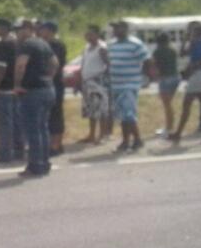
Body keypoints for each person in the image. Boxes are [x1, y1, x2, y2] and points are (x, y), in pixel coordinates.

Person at [14, 21, 59, 177]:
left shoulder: (26, 45)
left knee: (33, 130)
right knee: (42, 128)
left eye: (21, 30)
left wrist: (17, 84)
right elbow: (55, 63)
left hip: (32, 91)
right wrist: (48, 78)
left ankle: (35, 166)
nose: (18, 33)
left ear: (29, 30)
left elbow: (21, 65)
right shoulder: (43, 43)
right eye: (17, 30)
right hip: (47, 89)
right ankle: (44, 162)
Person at [108, 20, 151, 152]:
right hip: (116, 83)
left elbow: (147, 60)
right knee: (122, 115)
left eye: (117, 28)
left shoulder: (135, 44)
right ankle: (125, 141)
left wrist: (145, 77)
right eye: (114, 29)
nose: (114, 31)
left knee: (129, 113)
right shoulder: (112, 45)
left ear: (125, 29)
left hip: (129, 83)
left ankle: (138, 139)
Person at [0, 18, 24, 163]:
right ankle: (19, 151)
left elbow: (1, 67)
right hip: (15, 87)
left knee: (4, 123)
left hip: (5, 87)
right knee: (16, 121)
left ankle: (5, 154)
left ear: (4, 28)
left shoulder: (4, 44)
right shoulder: (17, 43)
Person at [169, 20, 201, 143]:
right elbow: (182, 53)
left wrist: (193, 66)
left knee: (186, 104)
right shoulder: (194, 43)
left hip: (197, 75)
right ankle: (179, 133)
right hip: (196, 75)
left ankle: (178, 133)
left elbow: (183, 54)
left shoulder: (197, 43)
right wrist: (185, 40)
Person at [37, 21, 67, 156]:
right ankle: (53, 143)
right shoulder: (43, 44)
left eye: (42, 29)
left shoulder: (56, 45)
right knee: (48, 115)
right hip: (47, 84)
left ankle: (56, 144)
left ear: (49, 31)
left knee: (56, 114)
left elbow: (54, 64)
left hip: (55, 83)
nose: (40, 31)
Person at [77, 24, 110, 144]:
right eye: (87, 34)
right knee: (91, 109)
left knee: (101, 109)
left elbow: (108, 64)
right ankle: (91, 134)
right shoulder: (86, 47)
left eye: (91, 34)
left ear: (97, 35)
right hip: (87, 82)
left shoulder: (101, 48)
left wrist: (101, 77)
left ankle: (102, 135)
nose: (88, 36)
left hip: (98, 82)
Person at [153, 32, 180, 138]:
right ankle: (170, 125)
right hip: (175, 77)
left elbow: (156, 66)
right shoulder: (173, 50)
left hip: (165, 78)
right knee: (169, 104)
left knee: (167, 105)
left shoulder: (157, 51)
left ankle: (169, 127)